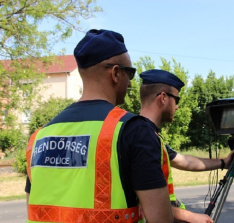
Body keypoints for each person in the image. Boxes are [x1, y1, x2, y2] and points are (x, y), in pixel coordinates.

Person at [24, 29, 173, 223]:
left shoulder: (39, 137)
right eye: (130, 73)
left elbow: (33, 209)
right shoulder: (133, 131)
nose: (130, 84)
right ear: (116, 73)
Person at [139, 69, 234, 223]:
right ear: (163, 98)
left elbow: (184, 161)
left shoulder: (152, 136)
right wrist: (190, 216)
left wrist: (224, 162)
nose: (177, 107)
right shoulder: (142, 138)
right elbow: (146, 201)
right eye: (176, 100)